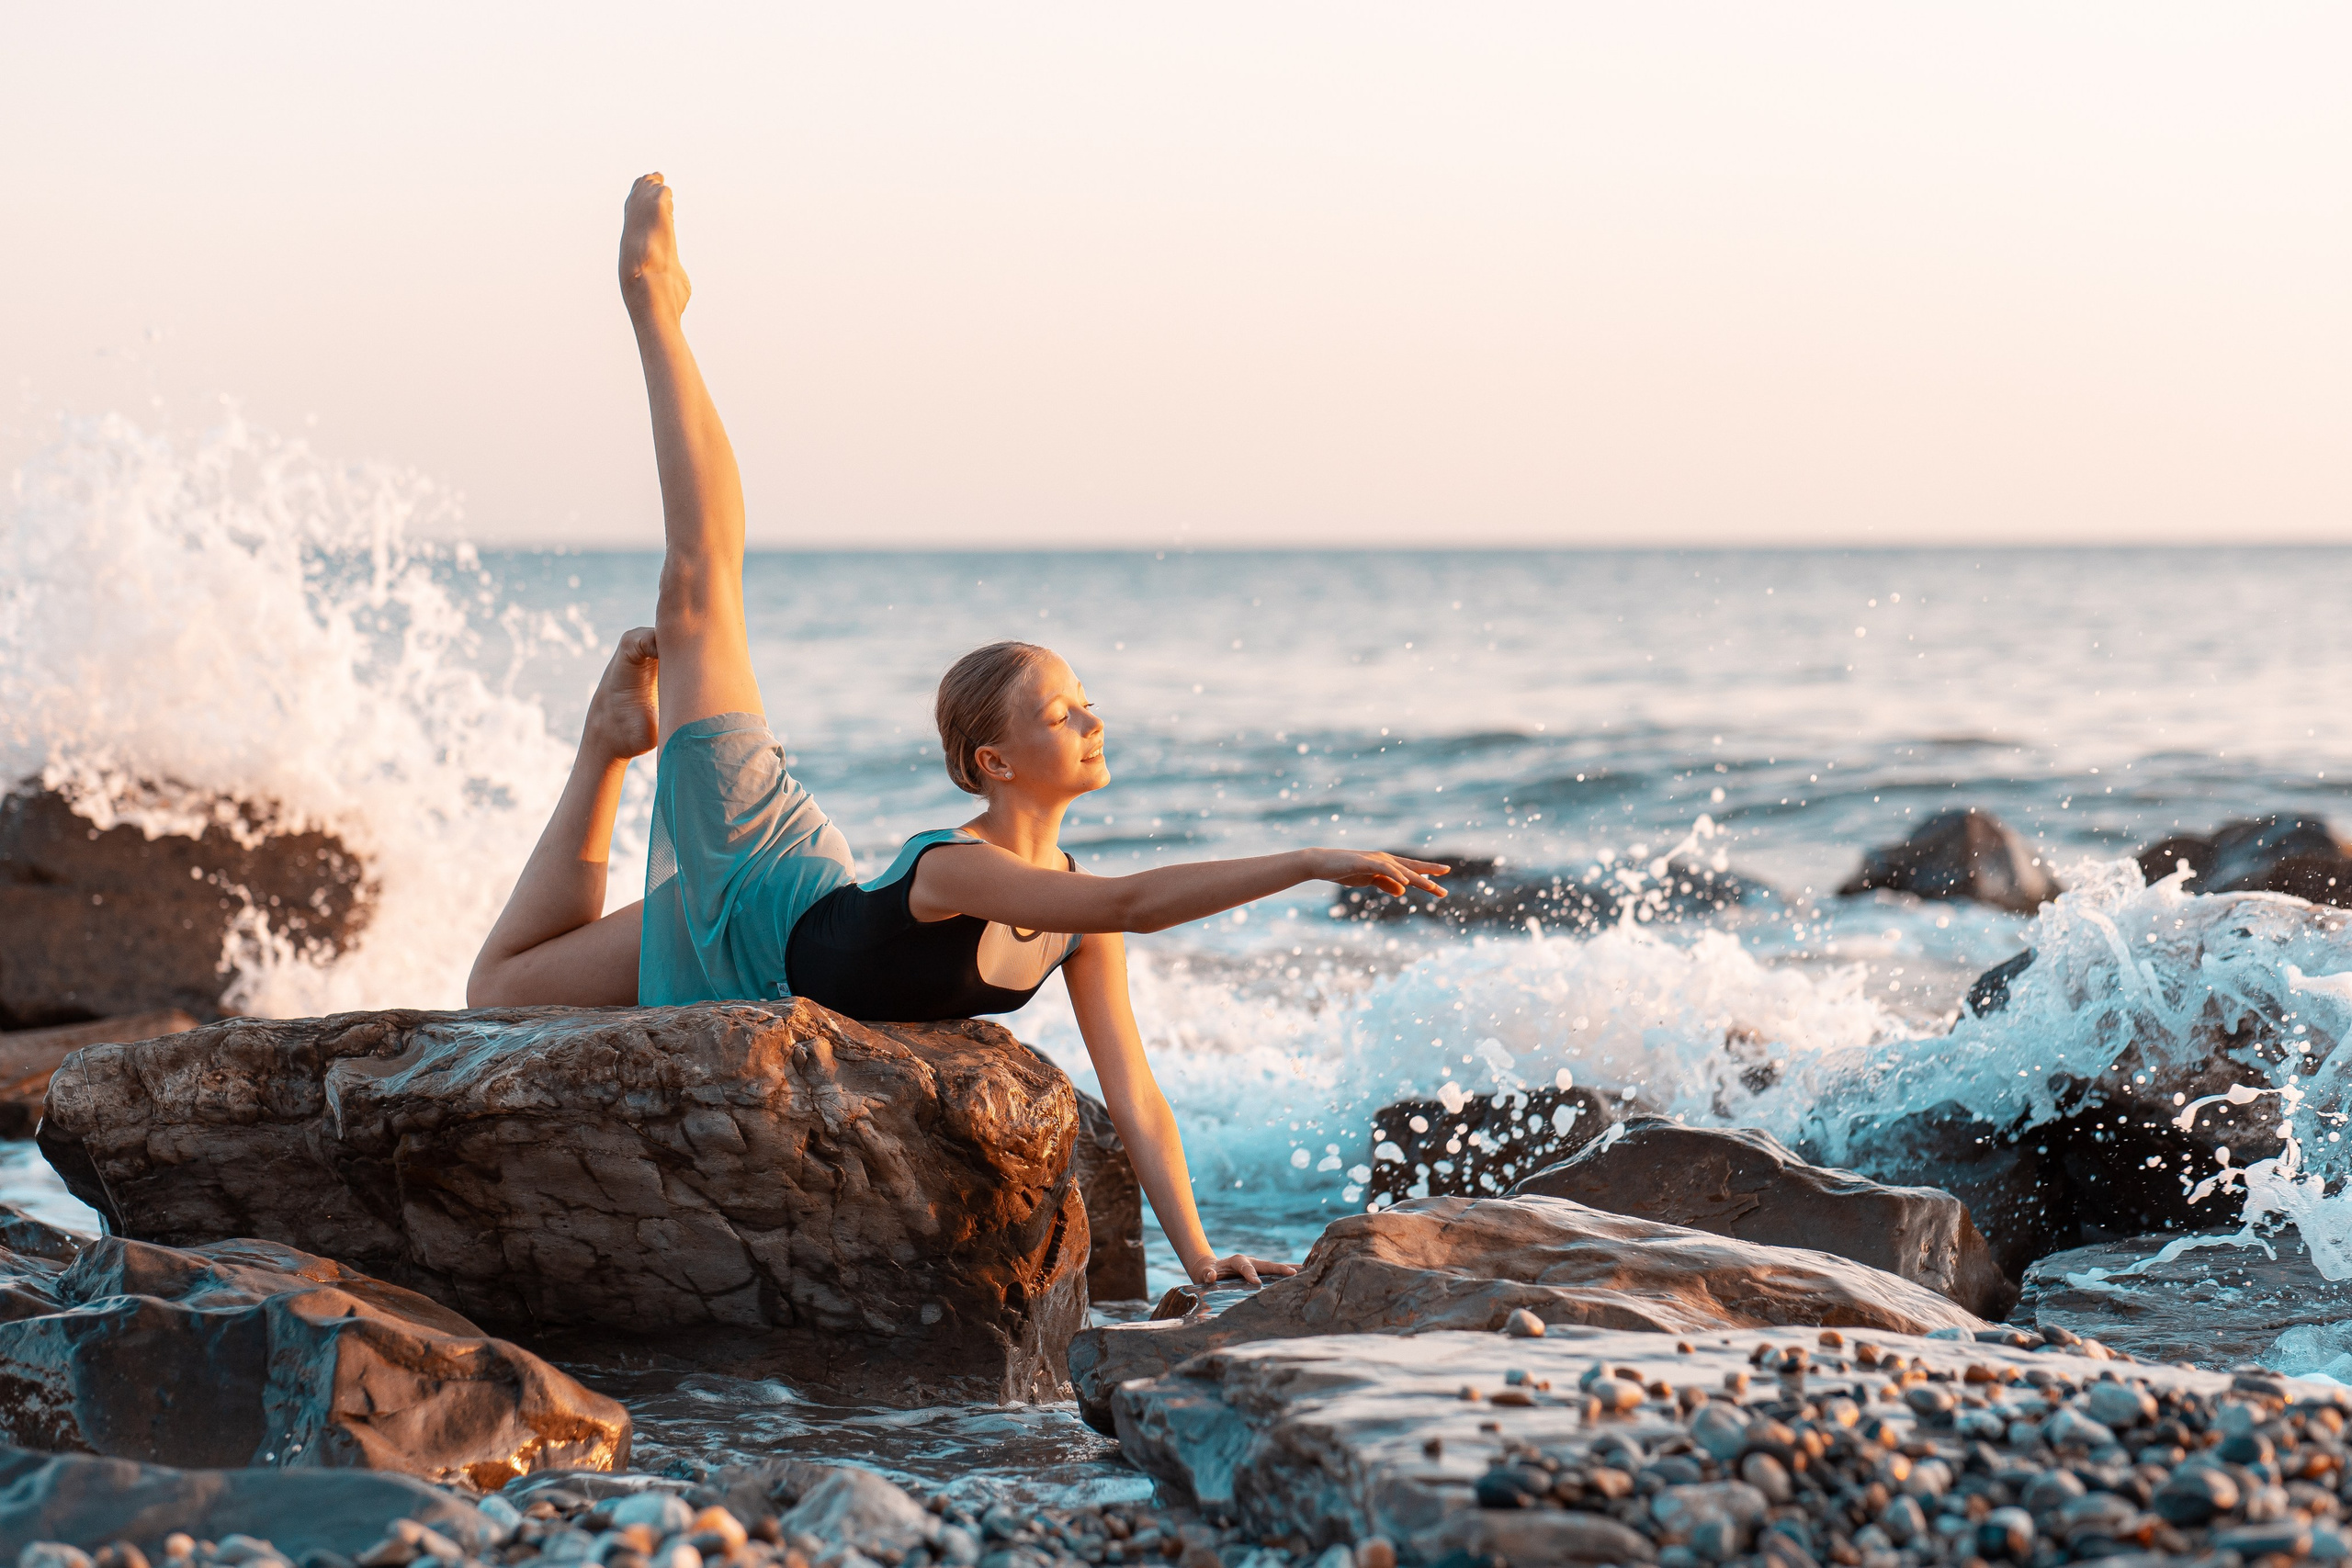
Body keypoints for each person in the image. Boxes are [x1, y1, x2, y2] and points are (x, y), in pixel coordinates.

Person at [469, 175, 1451, 1288]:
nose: (1089, 719)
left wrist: (1203, 1257)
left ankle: (607, 741)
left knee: (496, 998)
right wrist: (1311, 859)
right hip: (758, 871)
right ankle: (655, 304)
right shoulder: (958, 869)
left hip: (769, 947)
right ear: (995, 762)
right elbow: (1128, 901)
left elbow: (1132, 1088)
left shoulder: (1068, 910)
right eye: (1060, 710)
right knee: (702, 582)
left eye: (1083, 702)